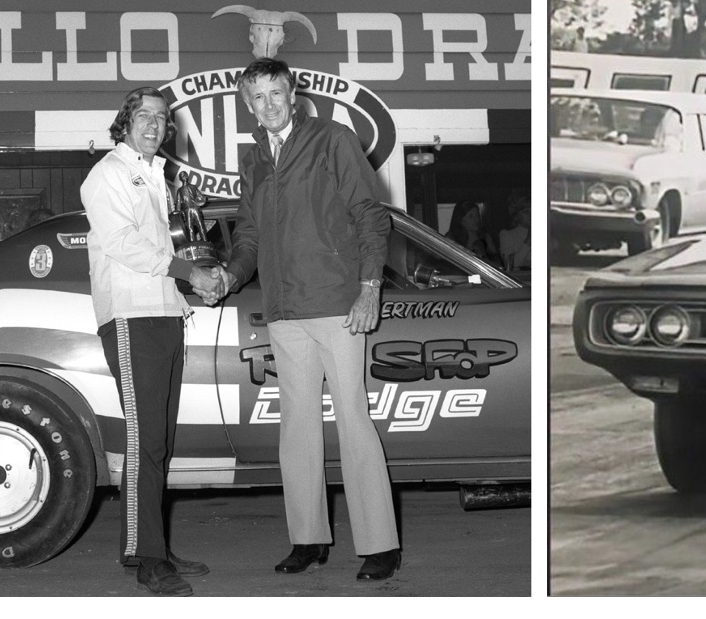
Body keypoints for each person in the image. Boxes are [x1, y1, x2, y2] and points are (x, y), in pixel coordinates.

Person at [212, 58, 402, 582]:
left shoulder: (332, 140)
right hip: (283, 309)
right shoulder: (253, 159)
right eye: (258, 97)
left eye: (276, 93)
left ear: (292, 94)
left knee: (353, 420)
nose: (269, 104)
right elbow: (249, 234)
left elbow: (370, 215)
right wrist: (231, 276)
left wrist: (369, 287)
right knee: (295, 425)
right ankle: (308, 538)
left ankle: (380, 544)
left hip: (336, 302)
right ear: (248, 105)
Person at [79, 86, 223, 596]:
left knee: (159, 442)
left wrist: (199, 268)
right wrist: (190, 272)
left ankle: (148, 543)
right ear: (124, 123)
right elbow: (123, 243)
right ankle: (149, 560)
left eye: (161, 118)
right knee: (145, 442)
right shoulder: (109, 174)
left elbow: (169, 244)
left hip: (164, 313)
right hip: (131, 317)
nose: (153, 124)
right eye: (143, 116)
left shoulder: (159, 175)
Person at [447, 200, 501, 267]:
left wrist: (484, 257)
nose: (476, 219)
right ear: (460, 219)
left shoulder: (485, 237)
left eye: (477, 215)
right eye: (471, 216)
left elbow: (498, 264)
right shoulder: (452, 238)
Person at [497, 197, 530, 272]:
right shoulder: (507, 235)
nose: (531, 214)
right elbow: (510, 266)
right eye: (526, 211)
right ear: (517, 214)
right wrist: (528, 240)